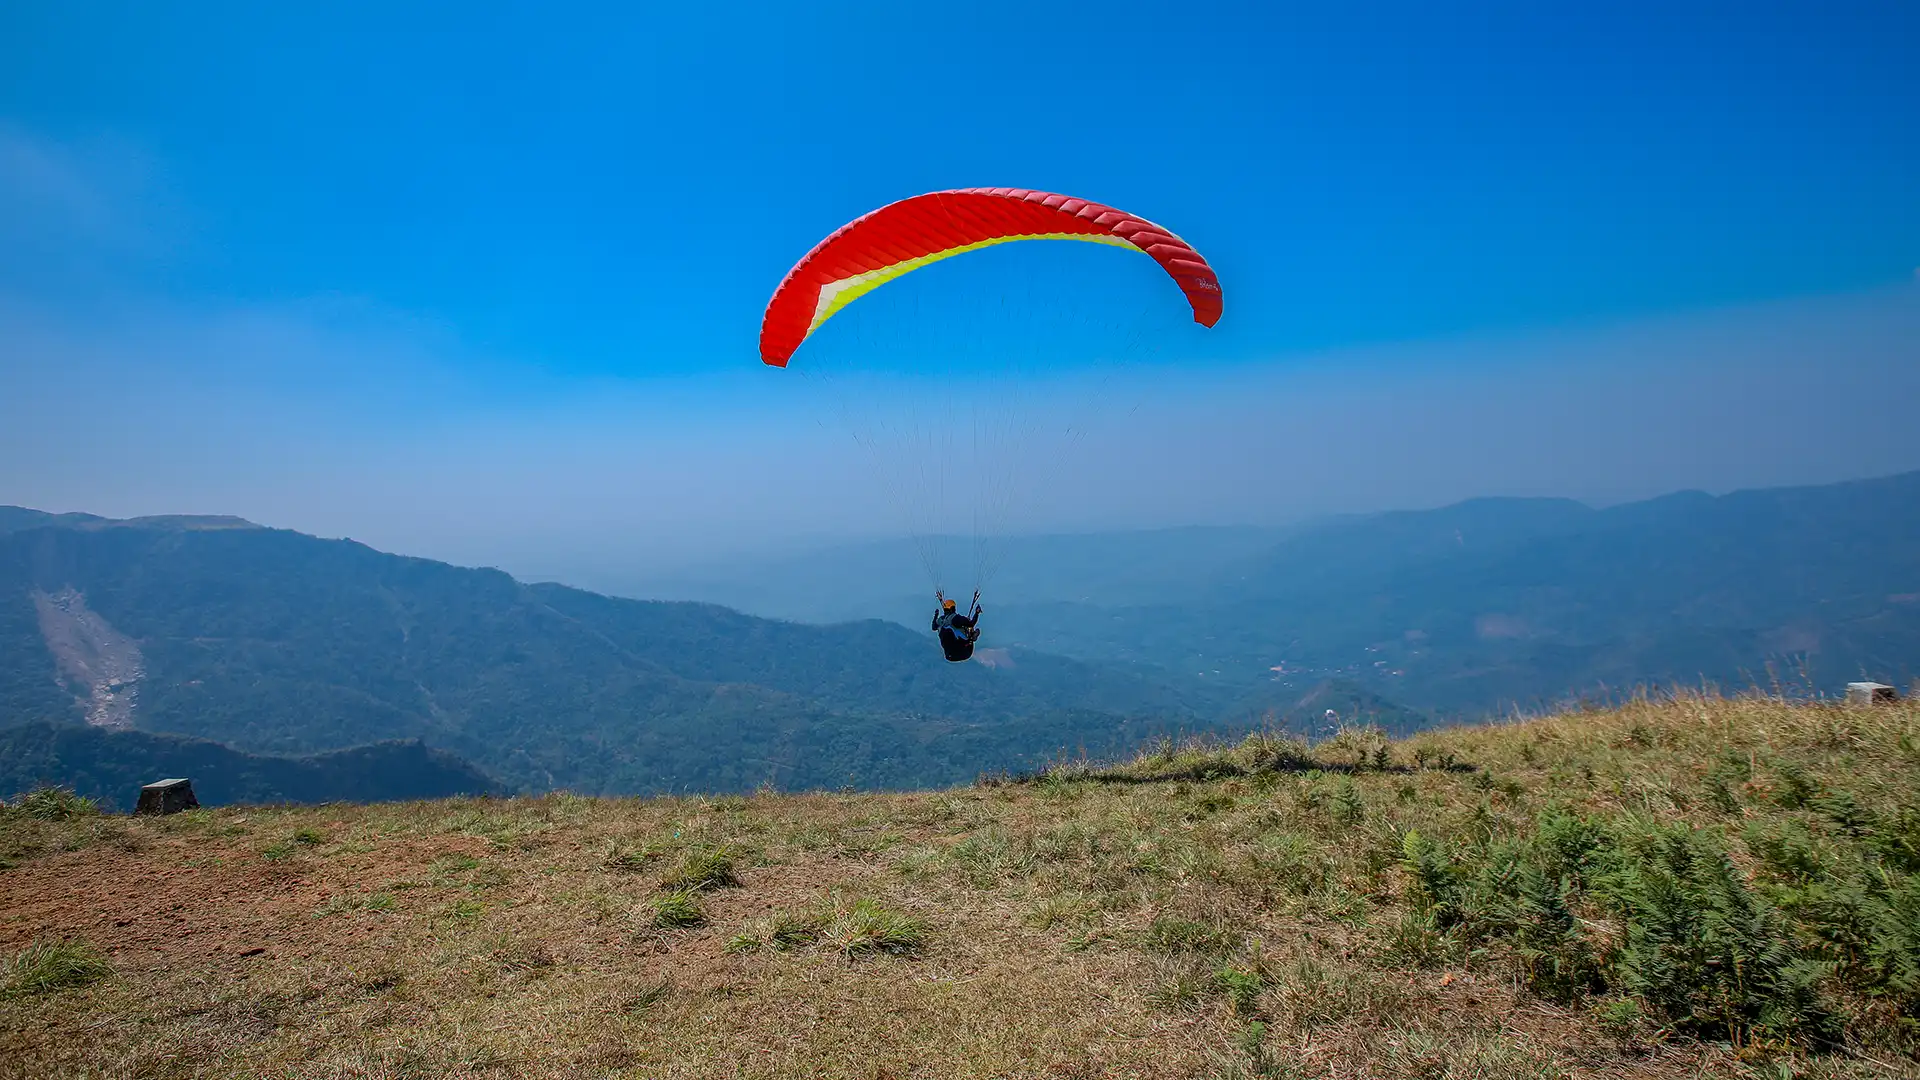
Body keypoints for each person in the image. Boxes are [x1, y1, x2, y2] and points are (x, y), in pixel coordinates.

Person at [932, 590, 981, 663]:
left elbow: (933, 627)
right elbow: (971, 623)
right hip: (965, 652)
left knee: (948, 630)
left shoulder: (940, 620)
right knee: (967, 629)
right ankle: (971, 637)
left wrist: (936, 615)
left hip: (949, 656)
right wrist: (977, 613)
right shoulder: (956, 618)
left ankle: (970, 637)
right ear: (953, 608)